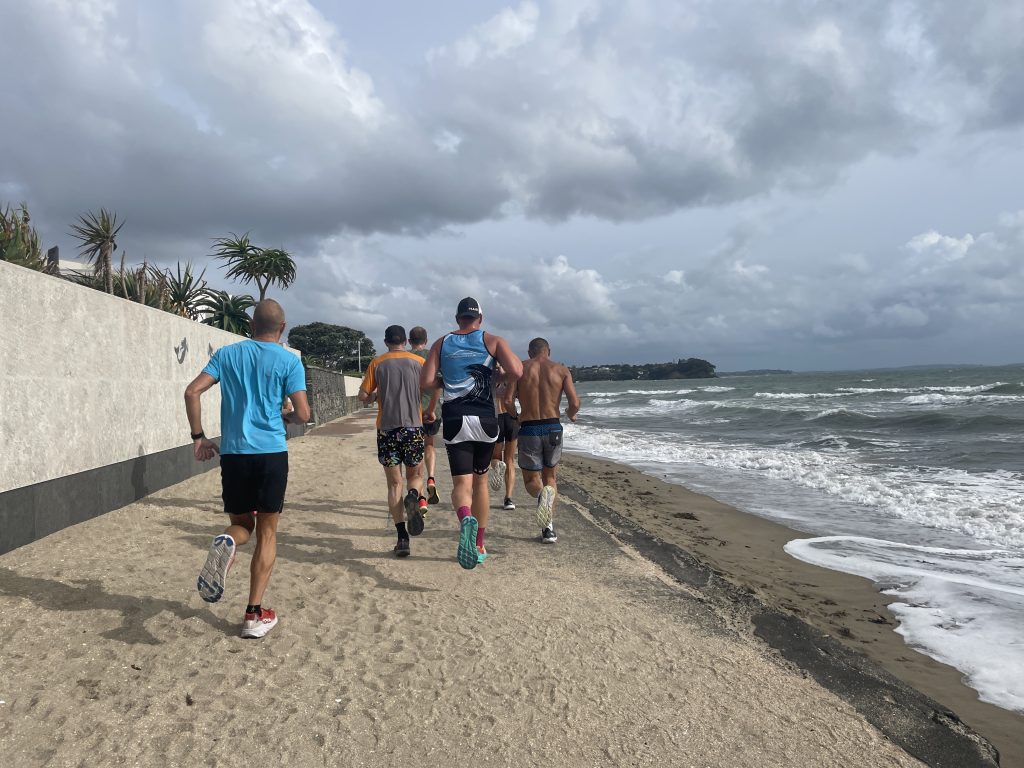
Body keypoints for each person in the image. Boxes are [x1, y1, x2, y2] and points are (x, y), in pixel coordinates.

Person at [185, 299, 310, 639]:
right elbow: (303, 414)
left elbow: (192, 391)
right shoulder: (288, 360)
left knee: (242, 525)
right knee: (268, 532)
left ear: (251, 325)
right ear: (281, 329)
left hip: (235, 454)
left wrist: (199, 437)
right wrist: (281, 415)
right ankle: (253, 615)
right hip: (271, 454)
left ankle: (228, 540)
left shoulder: (227, 355)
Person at [419, 297, 522, 569]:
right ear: (480, 318)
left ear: (457, 319)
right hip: (486, 419)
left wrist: (447, 380)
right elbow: (517, 370)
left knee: (461, 486)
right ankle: (478, 542)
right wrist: (497, 378)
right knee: (481, 484)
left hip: (455, 418)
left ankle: (465, 517)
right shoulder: (493, 340)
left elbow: (426, 381)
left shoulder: (441, 343)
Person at [359, 324, 430, 557]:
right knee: (415, 476)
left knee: (393, 484)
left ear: (386, 341)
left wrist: (376, 396)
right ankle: (413, 496)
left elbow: (363, 397)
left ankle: (402, 538)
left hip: (387, 430)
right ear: (406, 342)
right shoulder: (419, 363)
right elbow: (433, 387)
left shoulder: (377, 363)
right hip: (413, 427)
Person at [510, 337, 580, 543]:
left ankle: (541, 497)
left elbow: (506, 400)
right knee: (551, 478)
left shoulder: (520, 369)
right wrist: (571, 413)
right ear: (548, 351)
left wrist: (515, 416)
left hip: (530, 427)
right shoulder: (561, 370)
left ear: (530, 352)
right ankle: (548, 528)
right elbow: (574, 402)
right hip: (553, 427)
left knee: (532, 481)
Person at [408, 326, 442, 505]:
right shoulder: (433, 357)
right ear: (426, 341)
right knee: (429, 445)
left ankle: (421, 498)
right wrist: (432, 408)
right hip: (434, 410)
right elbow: (438, 384)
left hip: (412, 412)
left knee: (416, 450)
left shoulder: (406, 358)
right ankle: (431, 478)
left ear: (409, 341)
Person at [489, 363, 519, 510]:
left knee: (494, 458)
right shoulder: (510, 379)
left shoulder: (489, 379)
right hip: (512, 419)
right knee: (510, 460)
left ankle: (497, 466)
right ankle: (508, 499)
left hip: (496, 418)